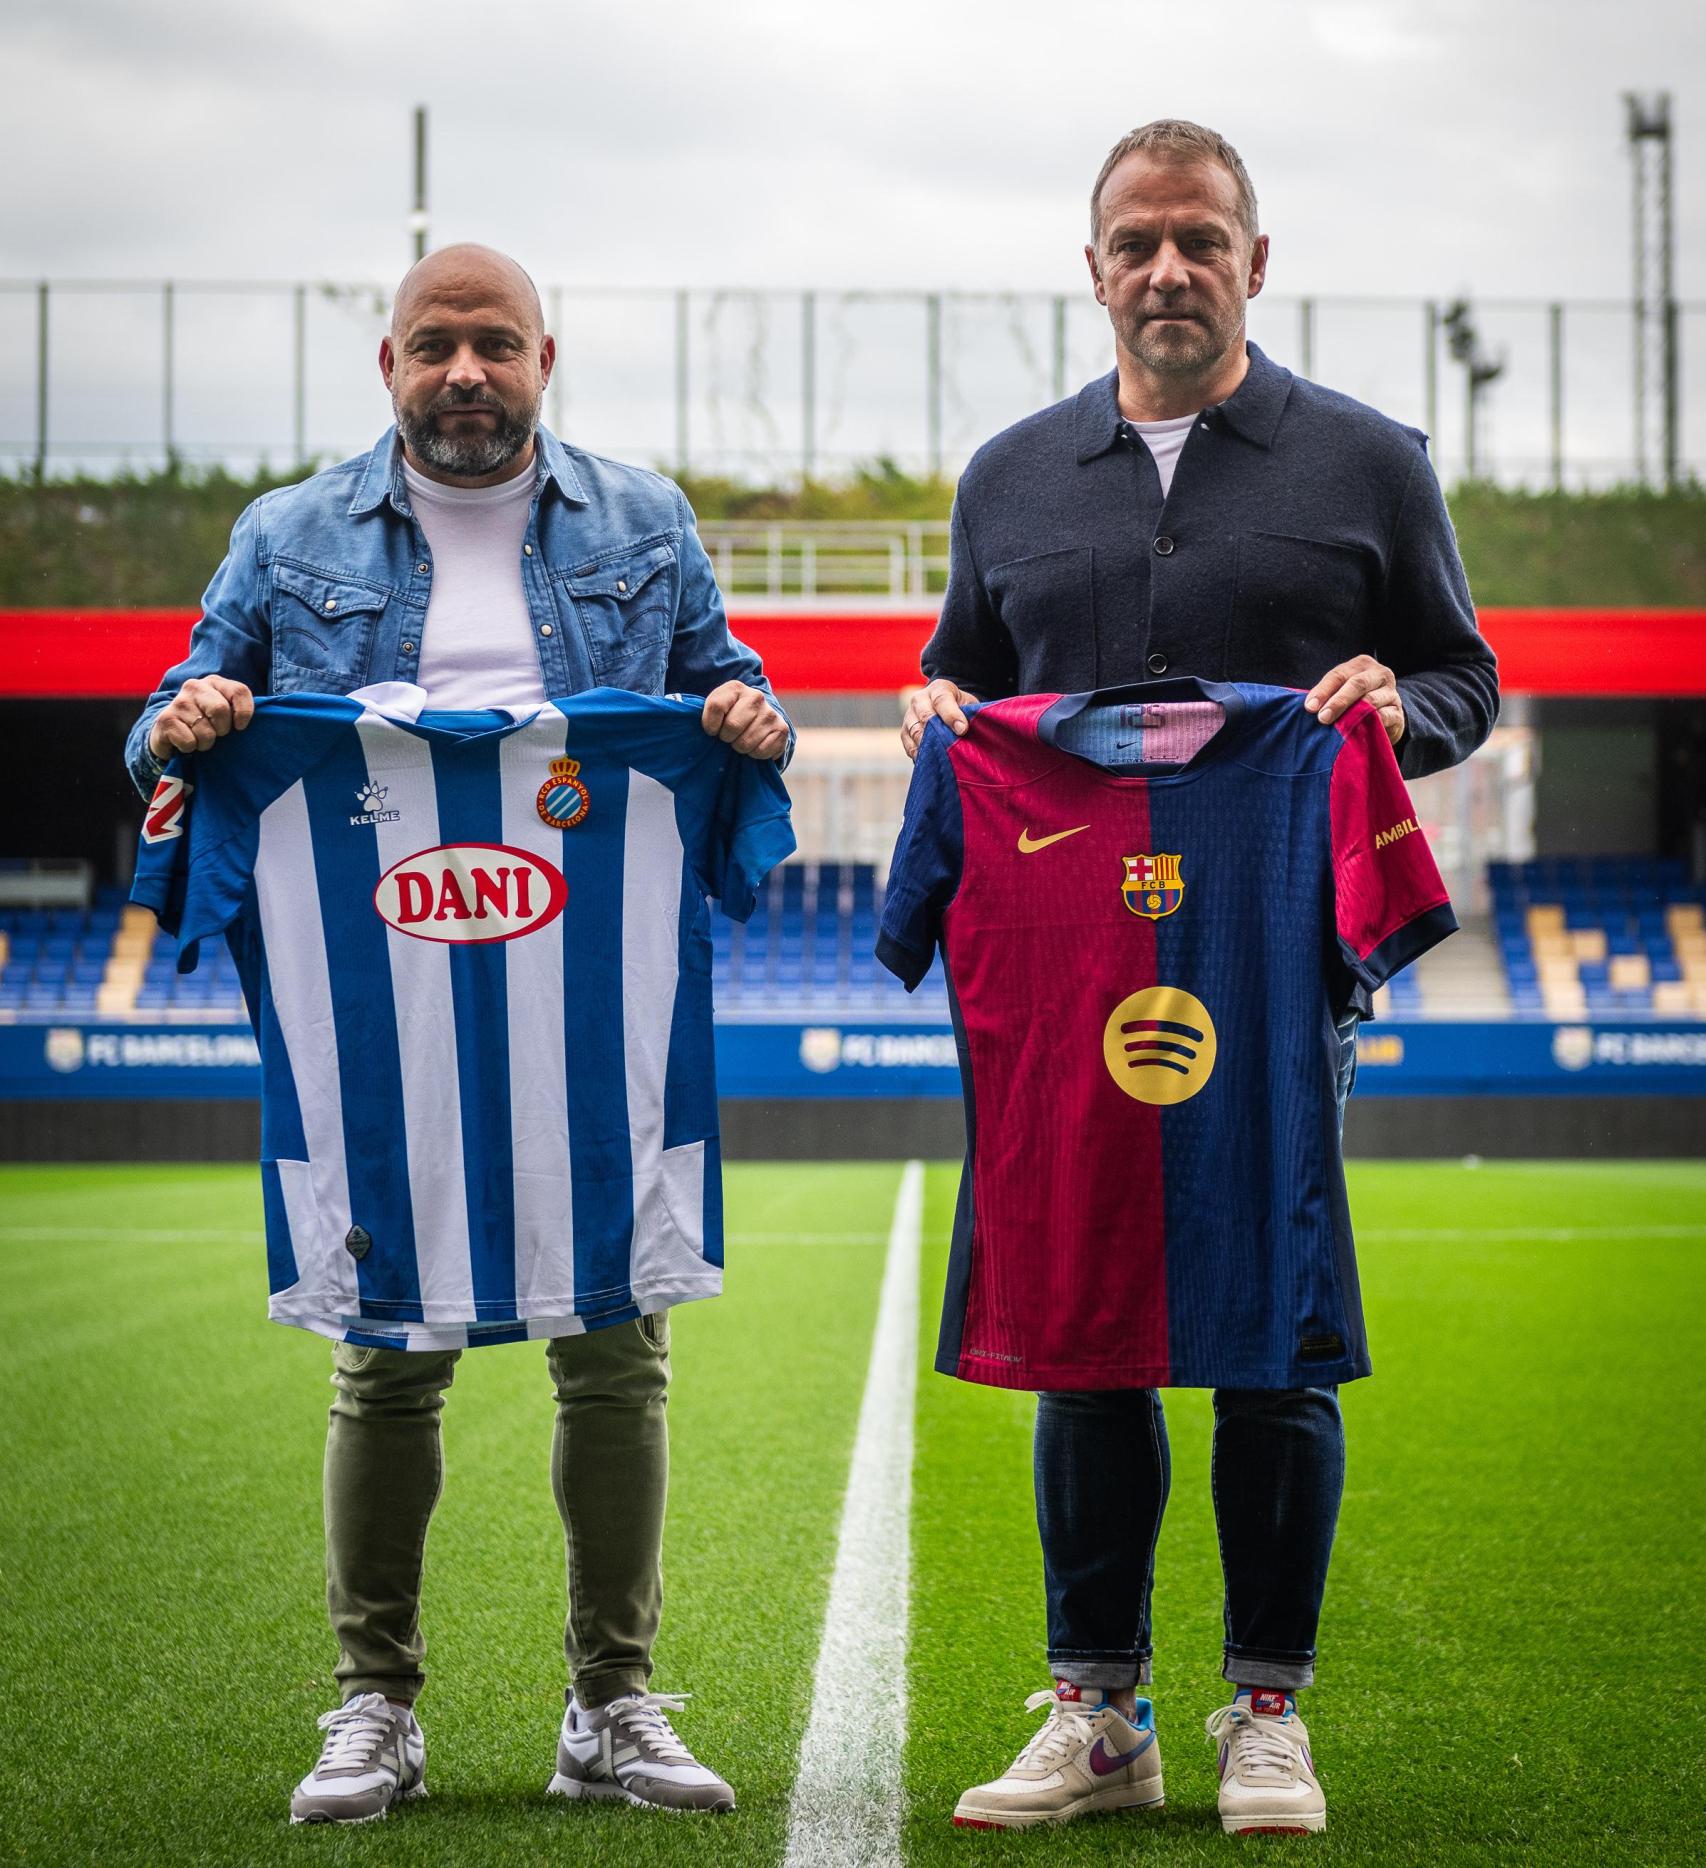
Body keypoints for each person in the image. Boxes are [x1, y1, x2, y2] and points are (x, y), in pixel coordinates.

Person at [125, 244, 790, 1825]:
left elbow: (721, 688)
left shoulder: (644, 521)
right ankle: (375, 1705)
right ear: (390, 365)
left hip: (583, 995)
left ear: (543, 357)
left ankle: (612, 1704)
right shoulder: (285, 536)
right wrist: (191, 718)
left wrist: (747, 715)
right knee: (386, 1352)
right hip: (389, 1006)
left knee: (615, 1350)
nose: (466, 373)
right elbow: (169, 716)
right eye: (437, 347)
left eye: (495, 344)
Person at [900, 120, 1497, 1837]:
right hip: (1065, 972)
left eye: (1201, 240)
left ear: (1254, 258)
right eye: (1137, 243)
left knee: (1268, 1338)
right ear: (1092, 268)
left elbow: (1466, 678)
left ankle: (1264, 1711)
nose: (1170, 269)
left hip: (1270, 963)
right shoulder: (1009, 477)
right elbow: (962, 677)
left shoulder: (1369, 462)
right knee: (1084, 1335)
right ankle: (1097, 1712)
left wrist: (1400, 705)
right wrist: (934, 709)